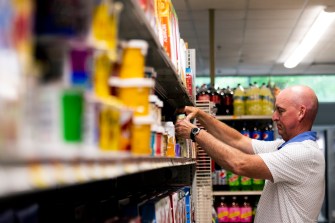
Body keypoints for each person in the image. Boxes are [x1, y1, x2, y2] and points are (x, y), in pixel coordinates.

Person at [175, 85, 325, 223]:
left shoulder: (303, 153)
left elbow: (239, 164)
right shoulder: (284, 146)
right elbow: (238, 140)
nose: (274, 117)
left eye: (280, 111)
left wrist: (195, 133)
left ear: (301, 112)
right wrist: (201, 115)